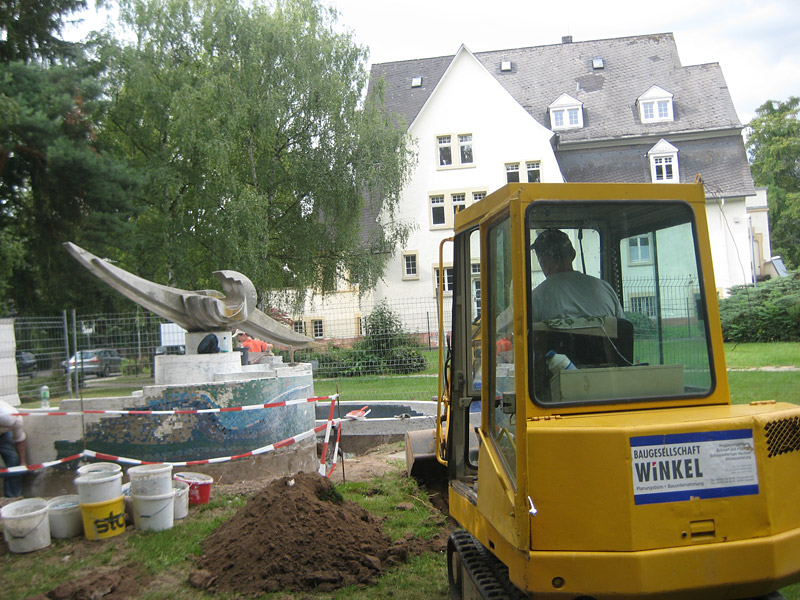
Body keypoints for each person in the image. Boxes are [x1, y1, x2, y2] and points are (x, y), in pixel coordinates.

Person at [530, 228, 624, 322]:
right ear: (573, 255)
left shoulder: (536, 298)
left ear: (543, 260)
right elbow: (622, 330)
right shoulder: (606, 290)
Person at [0, 399, 27, 498]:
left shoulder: (16, 420)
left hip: (3, 435)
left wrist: (23, 463)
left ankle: (12, 497)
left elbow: (20, 440)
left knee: (14, 461)